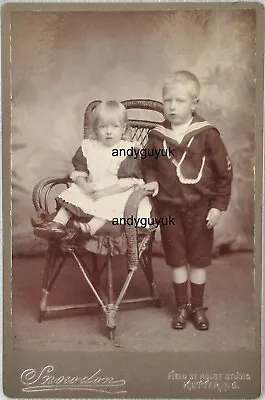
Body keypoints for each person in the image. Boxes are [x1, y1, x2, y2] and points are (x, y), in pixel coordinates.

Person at [141, 71, 233, 330]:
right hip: (169, 209)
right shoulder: (157, 136)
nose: (172, 106)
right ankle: (182, 307)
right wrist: (153, 179)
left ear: (194, 104)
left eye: (180, 100)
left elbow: (224, 175)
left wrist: (218, 206)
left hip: (200, 208)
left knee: (199, 260)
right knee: (176, 259)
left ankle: (197, 307)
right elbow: (147, 164)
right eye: (167, 100)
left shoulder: (207, 134)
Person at [35, 100, 151, 239]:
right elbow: (80, 171)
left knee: (113, 204)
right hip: (92, 188)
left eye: (115, 126)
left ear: (124, 128)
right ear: (95, 129)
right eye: (103, 127)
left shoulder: (128, 150)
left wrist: (104, 192)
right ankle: (56, 224)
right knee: (74, 194)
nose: (109, 132)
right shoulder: (89, 147)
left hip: (117, 191)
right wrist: (84, 185)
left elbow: (129, 181)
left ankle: (89, 228)